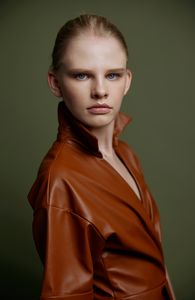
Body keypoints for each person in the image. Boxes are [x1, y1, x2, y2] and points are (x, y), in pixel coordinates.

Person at [28, 14, 175, 300]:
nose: (100, 90)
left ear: (127, 81)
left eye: (112, 74)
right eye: (81, 75)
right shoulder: (60, 181)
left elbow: (151, 264)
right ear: (55, 83)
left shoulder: (126, 154)